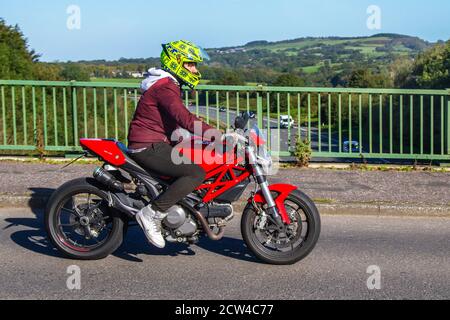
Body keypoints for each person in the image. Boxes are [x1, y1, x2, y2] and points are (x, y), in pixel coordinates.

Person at [127, 40, 220, 249]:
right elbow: (184, 118)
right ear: (177, 62)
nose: (195, 70)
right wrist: (215, 135)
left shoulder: (168, 85)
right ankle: (152, 213)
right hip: (147, 146)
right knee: (195, 173)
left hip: (156, 141)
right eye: (191, 64)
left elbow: (174, 122)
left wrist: (198, 138)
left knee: (195, 156)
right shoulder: (165, 87)